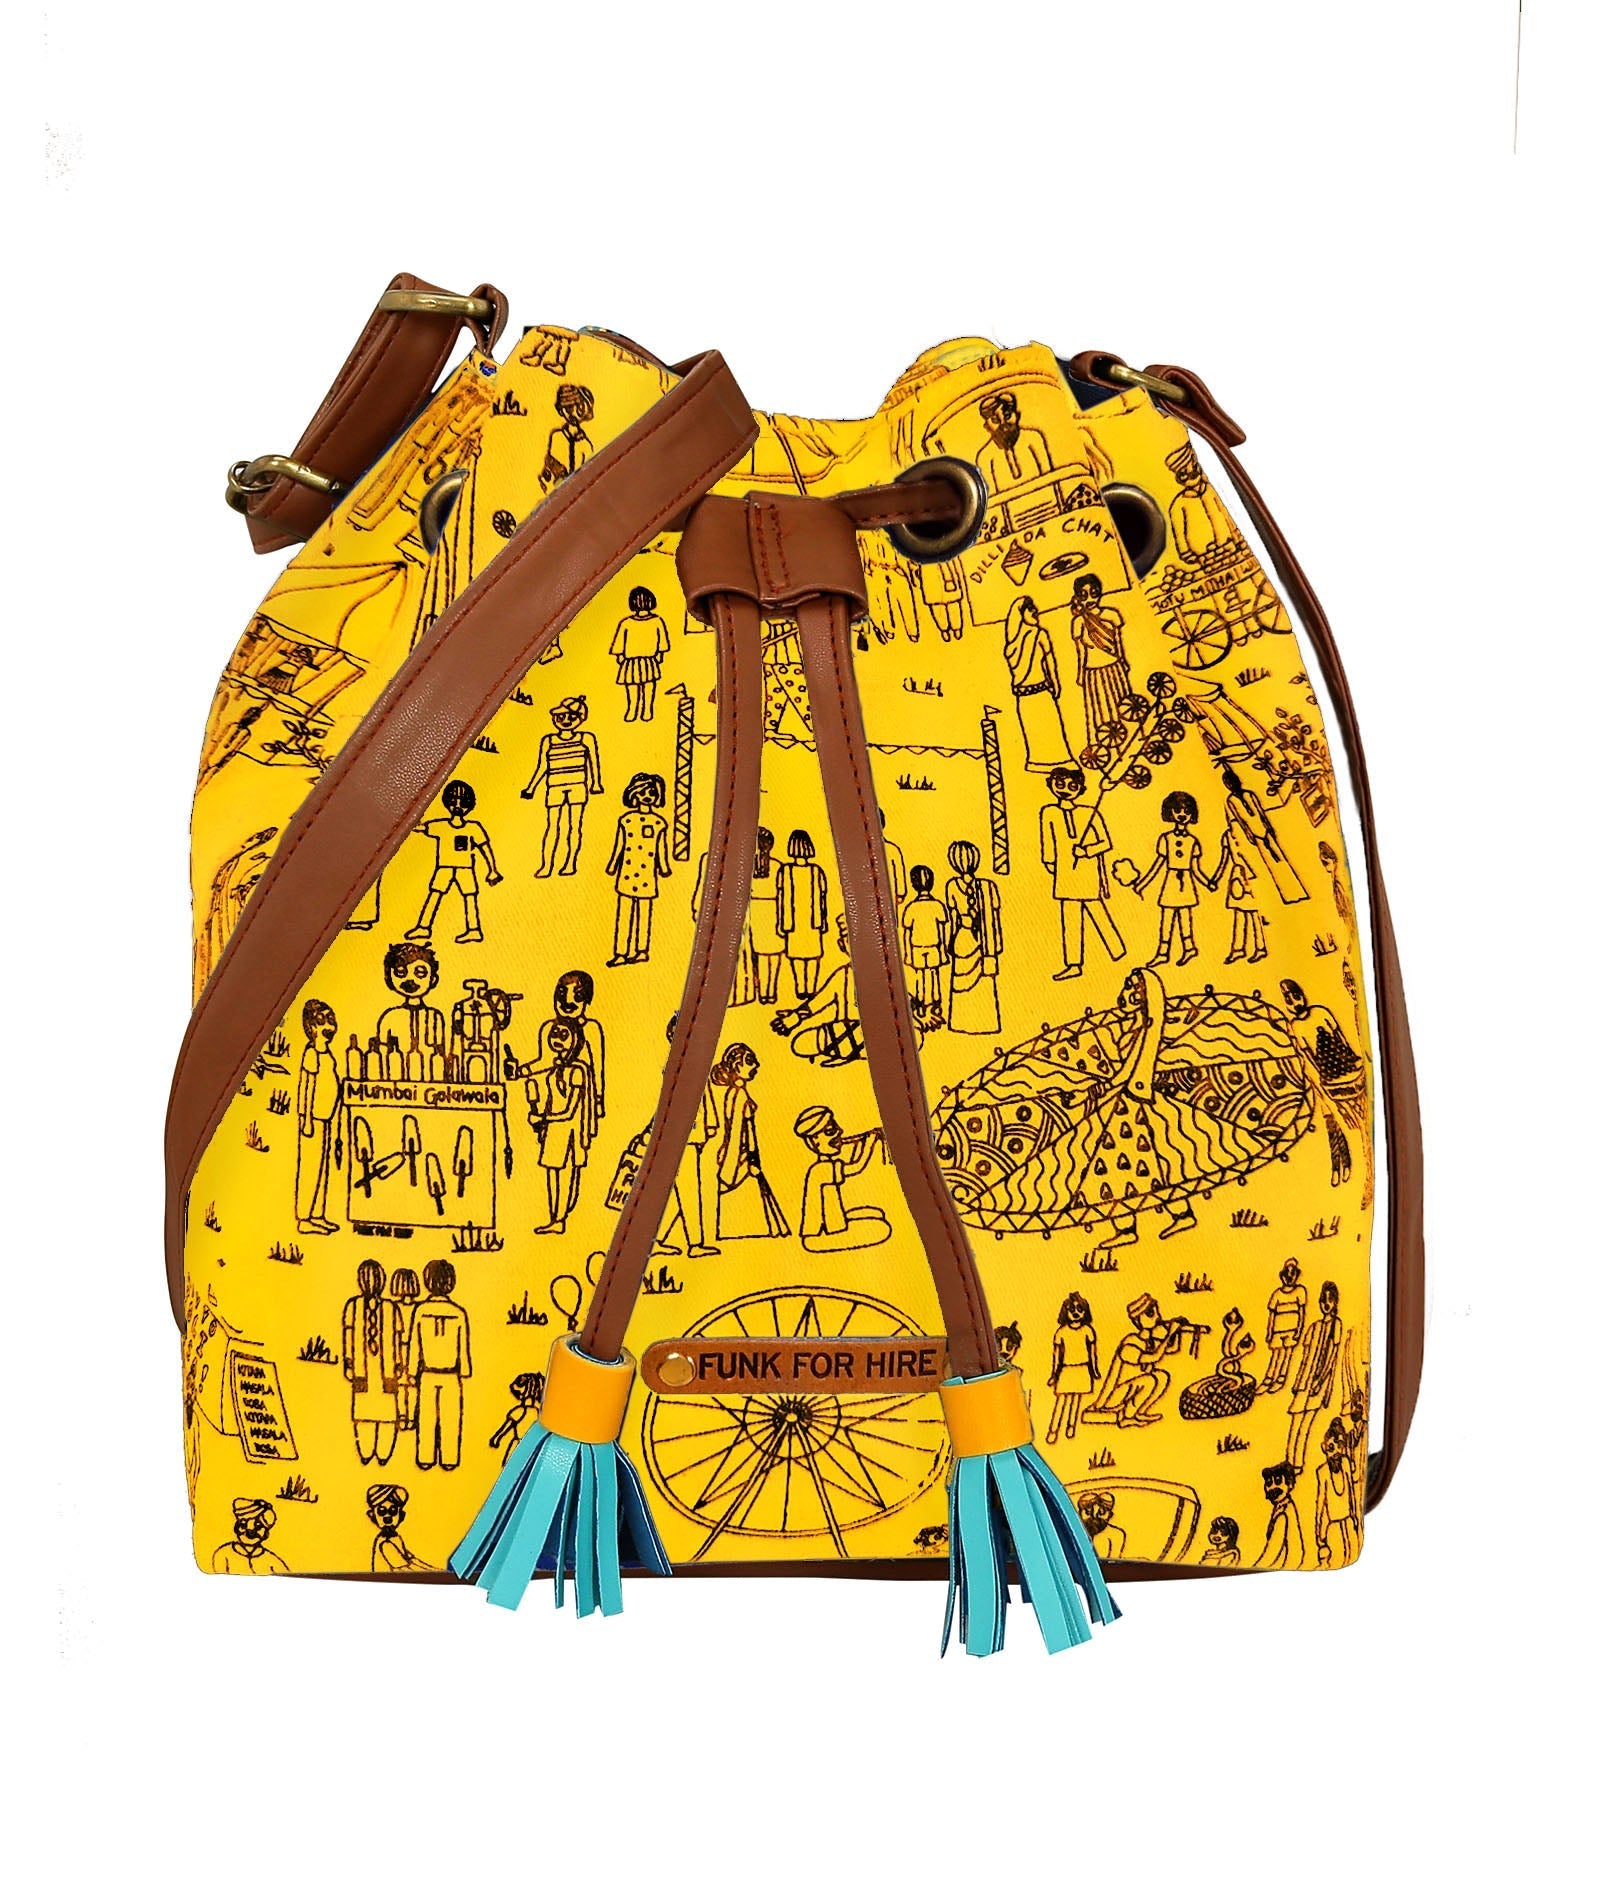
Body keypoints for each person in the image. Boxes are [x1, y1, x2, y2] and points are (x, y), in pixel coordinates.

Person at [1281, 978, 1373, 1205]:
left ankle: (1360, 1170)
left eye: (1295, 996)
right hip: (1329, 1080)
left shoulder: (1321, 1012)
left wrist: (1354, 1061)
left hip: (1347, 1071)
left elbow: (1340, 1038)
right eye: (1288, 1000)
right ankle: (1346, 1164)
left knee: (1358, 1126)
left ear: (1302, 995)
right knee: (1340, 1124)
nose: (1294, 1002)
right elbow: (1308, 1058)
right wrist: (1320, 1084)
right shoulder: (1295, 1027)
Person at [1039, 765, 1124, 979]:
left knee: (1098, 912)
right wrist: (1051, 864)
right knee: (1071, 920)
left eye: (1072, 786)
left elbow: (1105, 842)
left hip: (1088, 872)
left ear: (1080, 788)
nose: (1065, 789)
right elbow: (1048, 843)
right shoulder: (1049, 812)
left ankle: (1117, 951)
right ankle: (1074, 964)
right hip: (1064, 873)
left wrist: (1086, 851)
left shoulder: (1089, 813)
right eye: (1060, 784)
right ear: (1052, 785)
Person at [653, 1012, 720, 1259]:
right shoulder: (677, 1067)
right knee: (689, 1189)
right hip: (683, 1136)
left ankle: (656, 1240)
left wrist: (710, 1124)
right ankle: (695, 1243)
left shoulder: (694, 1063)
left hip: (691, 1134)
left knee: (679, 1190)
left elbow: (705, 1096)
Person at [407, 779, 500, 944]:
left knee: (469, 897)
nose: (457, 806)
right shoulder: (441, 825)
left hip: (465, 868)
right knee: (435, 894)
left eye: (462, 803)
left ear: (468, 805)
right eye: (453, 802)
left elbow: (485, 849)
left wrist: (492, 870)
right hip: (444, 868)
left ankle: (473, 929)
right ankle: (423, 927)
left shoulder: (473, 828)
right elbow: (420, 827)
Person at [524, 1018, 595, 1234]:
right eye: (554, 1034)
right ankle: (554, 1217)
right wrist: (540, 1120)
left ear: (575, 1040)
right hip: (554, 1130)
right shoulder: (554, 1070)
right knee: (552, 1173)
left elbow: (570, 1110)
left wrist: (544, 1118)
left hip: (569, 1131)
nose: (557, 1040)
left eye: (564, 1035)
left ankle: (561, 1218)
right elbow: (551, 1100)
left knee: (565, 1176)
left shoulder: (578, 1071)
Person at [712, 1043, 789, 1239]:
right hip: (740, 1153)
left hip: (734, 1152)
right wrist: (753, 1158)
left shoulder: (734, 1092)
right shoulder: (740, 1095)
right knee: (752, 1188)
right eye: (750, 1061)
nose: (756, 1065)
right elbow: (744, 1130)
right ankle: (776, 1228)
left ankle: (777, 1228)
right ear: (738, 1065)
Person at [521, 695, 602, 876]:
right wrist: (531, 787)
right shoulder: (549, 740)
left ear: (580, 719)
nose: (565, 720)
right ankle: (547, 865)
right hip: (555, 786)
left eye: (571, 717)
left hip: (577, 785)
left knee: (574, 825)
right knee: (552, 826)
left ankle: (570, 863)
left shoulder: (586, 738)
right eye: (561, 716)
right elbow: (543, 766)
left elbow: (593, 762)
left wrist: (596, 783)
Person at [1082, 1292, 1187, 1427]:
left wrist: (1177, 1332)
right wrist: (1170, 1333)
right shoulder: (1130, 1344)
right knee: (1149, 1380)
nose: (1158, 1317)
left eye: (1156, 1312)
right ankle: (1127, 1417)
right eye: (1150, 1313)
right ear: (1138, 1320)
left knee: (1162, 1376)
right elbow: (1154, 1357)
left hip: (1129, 1390)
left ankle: (1139, 1412)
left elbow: (1171, 1349)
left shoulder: (1149, 1341)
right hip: (1112, 1397)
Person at [794, 1107, 889, 1252]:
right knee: (882, 1228)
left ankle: (840, 1224)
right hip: (823, 1234)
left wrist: (864, 1140)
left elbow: (852, 1160)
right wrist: (870, 1142)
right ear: (814, 1141)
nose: (840, 1132)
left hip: (835, 1224)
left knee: (877, 1214)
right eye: (830, 1131)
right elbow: (855, 1167)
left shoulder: (826, 1164)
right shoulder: (821, 1170)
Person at [772, 917, 863, 1066]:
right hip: (840, 1031)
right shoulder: (842, 975)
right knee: (800, 1043)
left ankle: (849, 1051)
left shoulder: (880, 974)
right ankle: (849, 1051)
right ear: (842, 945)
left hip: (872, 1033)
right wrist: (794, 1017)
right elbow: (818, 1003)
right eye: (849, 941)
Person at [408, 1260, 472, 1470]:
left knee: (426, 1417)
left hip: (427, 1373)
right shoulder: (458, 1312)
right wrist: (464, 1370)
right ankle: (449, 1458)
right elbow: (463, 1346)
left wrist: (411, 1371)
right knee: (450, 1417)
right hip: (451, 1374)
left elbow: (414, 1343)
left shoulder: (421, 1310)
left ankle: (425, 1457)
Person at [1131, 789, 1207, 966]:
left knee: (1185, 917)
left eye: (1186, 811)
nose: (1182, 815)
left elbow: (1196, 869)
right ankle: (1163, 952)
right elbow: (1158, 865)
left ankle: (1189, 947)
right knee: (1167, 917)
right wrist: (1142, 883)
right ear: (1170, 812)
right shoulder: (1166, 839)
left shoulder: (1193, 842)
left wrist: (1207, 883)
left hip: (1186, 882)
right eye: (1178, 810)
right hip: (1171, 881)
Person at [341, 1260, 403, 1465]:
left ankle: (383, 1453)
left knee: (387, 1412)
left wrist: (399, 1363)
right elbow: (348, 1337)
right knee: (363, 1411)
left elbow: (398, 1339)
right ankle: (367, 1451)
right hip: (363, 1370)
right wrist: (348, 1363)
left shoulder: (391, 1308)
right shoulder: (353, 1306)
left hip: (386, 1371)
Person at [606, 772, 671, 965]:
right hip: (627, 871)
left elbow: (660, 848)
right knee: (624, 914)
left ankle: (642, 950)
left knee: (644, 914)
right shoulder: (626, 820)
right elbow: (619, 845)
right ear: (634, 794)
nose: (647, 797)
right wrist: (612, 865)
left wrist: (664, 867)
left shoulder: (658, 823)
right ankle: (621, 952)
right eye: (643, 792)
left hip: (647, 874)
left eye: (651, 793)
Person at [1003, 595, 1072, 772]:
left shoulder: (1012, 646)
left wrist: (1055, 682)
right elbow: (1049, 661)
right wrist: (1055, 682)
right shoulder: (1038, 635)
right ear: (1020, 614)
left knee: (1041, 728)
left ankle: (1040, 762)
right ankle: (1052, 761)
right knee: (1042, 728)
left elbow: (1049, 660)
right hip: (1038, 693)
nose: (1035, 611)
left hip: (1025, 696)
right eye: (1030, 608)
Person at [943, 840, 1003, 1034]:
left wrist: (948, 944)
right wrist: (995, 946)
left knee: (963, 984)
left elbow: (953, 920)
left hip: (963, 939)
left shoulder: (952, 886)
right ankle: (985, 1023)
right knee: (981, 984)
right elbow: (995, 920)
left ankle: (963, 1023)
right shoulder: (988, 886)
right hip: (981, 941)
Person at [1068, 574, 1132, 751]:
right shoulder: (1079, 621)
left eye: (1094, 593)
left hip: (1114, 667)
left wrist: (1123, 660)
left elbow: (1118, 642)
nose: (1090, 599)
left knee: (1124, 704)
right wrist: (1081, 674)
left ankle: (1133, 737)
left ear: (1100, 593)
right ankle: (1105, 746)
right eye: (1084, 595)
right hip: (1093, 671)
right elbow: (1080, 651)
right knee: (1100, 709)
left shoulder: (1112, 615)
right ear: (1078, 597)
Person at [296, 998, 343, 1235]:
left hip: (325, 1117)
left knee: (322, 1169)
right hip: (312, 1120)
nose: (328, 1026)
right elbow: (306, 1087)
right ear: (311, 1027)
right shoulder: (312, 1053)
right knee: (310, 1168)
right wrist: (305, 1119)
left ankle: (318, 1214)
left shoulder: (326, 1052)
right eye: (322, 1021)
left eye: (330, 1020)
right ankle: (304, 1217)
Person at [1286, 1280, 1343, 1471]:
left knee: (1305, 1424)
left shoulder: (1336, 1325)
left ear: (1335, 1302)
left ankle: (1297, 1464)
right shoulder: (1314, 1326)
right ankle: (1290, 1461)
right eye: (1323, 1300)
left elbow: (1332, 1357)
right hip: (1304, 1381)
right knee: (1295, 1421)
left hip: (1319, 1383)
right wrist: (1298, 1381)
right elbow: (1304, 1358)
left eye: (1330, 1300)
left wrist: (1320, 1381)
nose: (1326, 1304)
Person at [375, 941, 446, 1069]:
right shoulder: (390, 1017)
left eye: (420, 973)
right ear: (389, 977)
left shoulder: (435, 1017)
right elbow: (382, 1051)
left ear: (433, 979)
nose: (410, 979)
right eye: (401, 972)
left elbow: (440, 1050)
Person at [775, 830, 828, 1000]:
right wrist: (823, 921)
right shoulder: (816, 871)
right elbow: (822, 899)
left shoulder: (785, 871)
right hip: (810, 921)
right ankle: (809, 988)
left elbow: (781, 899)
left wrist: (781, 923)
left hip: (794, 921)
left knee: (798, 957)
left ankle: (801, 987)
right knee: (811, 957)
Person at [610, 585, 671, 723]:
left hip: (649, 660)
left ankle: (647, 709)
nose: (642, 603)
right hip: (631, 661)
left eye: (645, 600)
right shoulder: (626, 623)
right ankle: (632, 709)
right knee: (631, 687)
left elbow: (662, 639)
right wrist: (620, 655)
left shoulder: (657, 621)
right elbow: (619, 641)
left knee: (648, 686)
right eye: (638, 600)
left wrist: (660, 654)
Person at [1045, 1292, 1098, 1442]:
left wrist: (1094, 1370)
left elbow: (1092, 1353)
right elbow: (1056, 1356)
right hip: (1066, 1369)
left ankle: (1071, 1426)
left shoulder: (1088, 1330)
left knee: (1076, 1401)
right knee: (1061, 1400)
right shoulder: (1061, 1332)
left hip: (1082, 1369)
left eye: (1080, 1309)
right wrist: (1054, 1374)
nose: (1076, 1313)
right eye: (1072, 1309)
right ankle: (1053, 1430)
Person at [976, 389, 1052, 491]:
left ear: (1017, 415)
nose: (1003, 424)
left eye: (1007, 416)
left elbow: (1049, 478)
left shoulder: (1033, 438)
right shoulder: (986, 457)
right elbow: (991, 495)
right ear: (987, 426)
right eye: (995, 420)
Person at [901, 863, 950, 1024]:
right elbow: (942, 931)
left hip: (919, 948)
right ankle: (934, 1003)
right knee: (933, 975)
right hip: (932, 946)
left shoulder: (911, 908)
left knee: (921, 976)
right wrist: (943, 949)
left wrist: (908, 953)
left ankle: (925, 1003)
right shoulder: (937, 906)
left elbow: (907, 934)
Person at [744, 827, 784, 1004]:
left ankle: (764, 992)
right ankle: (771, 990)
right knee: (773, 956)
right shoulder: (777, 866)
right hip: (773, 910)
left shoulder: (748, 867)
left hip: (758, 910)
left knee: (759, 955)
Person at [1314, 1417, 1360, 1566]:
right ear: (1324, 1447)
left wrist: (1355, 1515)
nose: (1336, 1452)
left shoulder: (1345, 1463)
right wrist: (1319, 1531)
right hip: (1333, 1526)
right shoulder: (1322, 1472)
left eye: (1339, 1446)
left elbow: (1352, 1492)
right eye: (1331, 1447)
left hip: (1348, 1521)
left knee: (1350, 1554)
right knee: (1334, 1558)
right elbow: (1320, 1503)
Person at [1261, 1259, 1307, 1394]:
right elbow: (1272, 1315)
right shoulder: (1277, 1294)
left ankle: (1281, 1379)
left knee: (1287, 1355)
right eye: (1287, 1273)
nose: (1289, 1277)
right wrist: (1270, 1332)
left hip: (1291, 1330)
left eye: (1293, 1274)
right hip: (1277, 1331)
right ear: (1282, 1276)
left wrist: (1299, 1331)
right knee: (1276, 1355)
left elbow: (1302, 1313)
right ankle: (1268, 1379)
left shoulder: (1300, 1291)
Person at [212, 1498, 288, 1575]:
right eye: (243, 1525)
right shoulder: (223, 1554)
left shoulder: (272, 1560)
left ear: (266, 1532)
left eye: (258, 1526)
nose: (250, 1531)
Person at [541, 382, 595, 490]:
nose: (570, 413)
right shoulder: (557, 436)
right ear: (561, 411)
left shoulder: (586, 444)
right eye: (566, 408)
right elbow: (549, 465)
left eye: (574, 407)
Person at [388, 1267, 422, 1433]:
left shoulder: (418, 1308)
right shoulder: (395, 1308)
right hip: (400, 1348)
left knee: (411, 1385)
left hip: (412, 1348)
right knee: (402, 1385)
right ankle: (403, 1416)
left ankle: (409, 1417)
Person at [366, 1484, 431, 1572]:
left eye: (393, 1511)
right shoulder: (385, 1543)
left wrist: (436, 1570)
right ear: (372, 1515)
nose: (387, 1517)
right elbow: (405, 1568)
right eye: (381, 1511)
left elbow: (412, 1560)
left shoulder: (395, 1538)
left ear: (401, 1515)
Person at [1255, 1462, 1306, 1569]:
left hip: (1286, 1565)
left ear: (1290, 1484)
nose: (1272, 1487)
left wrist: (1254, 1568)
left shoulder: (1283, 1513)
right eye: (1269, 1483)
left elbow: (1272, 1551)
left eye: (1278, 1481)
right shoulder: (1281, 1507)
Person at [489, 1372, 545, 1466]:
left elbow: (506, 1427)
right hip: (531, 1449)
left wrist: (497, 1439)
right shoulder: (538, 1413)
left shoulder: (521, 1411)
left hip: (518, 1447)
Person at [1076, 1491, 1126, 1564]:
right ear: (1079, 1514)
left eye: (1102, 1512)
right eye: (1088, 1512)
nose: (1094, 1516)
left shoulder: (1116, 1535)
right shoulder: (1074, 1532)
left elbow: (1113, 1564)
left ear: (1110, 1515)